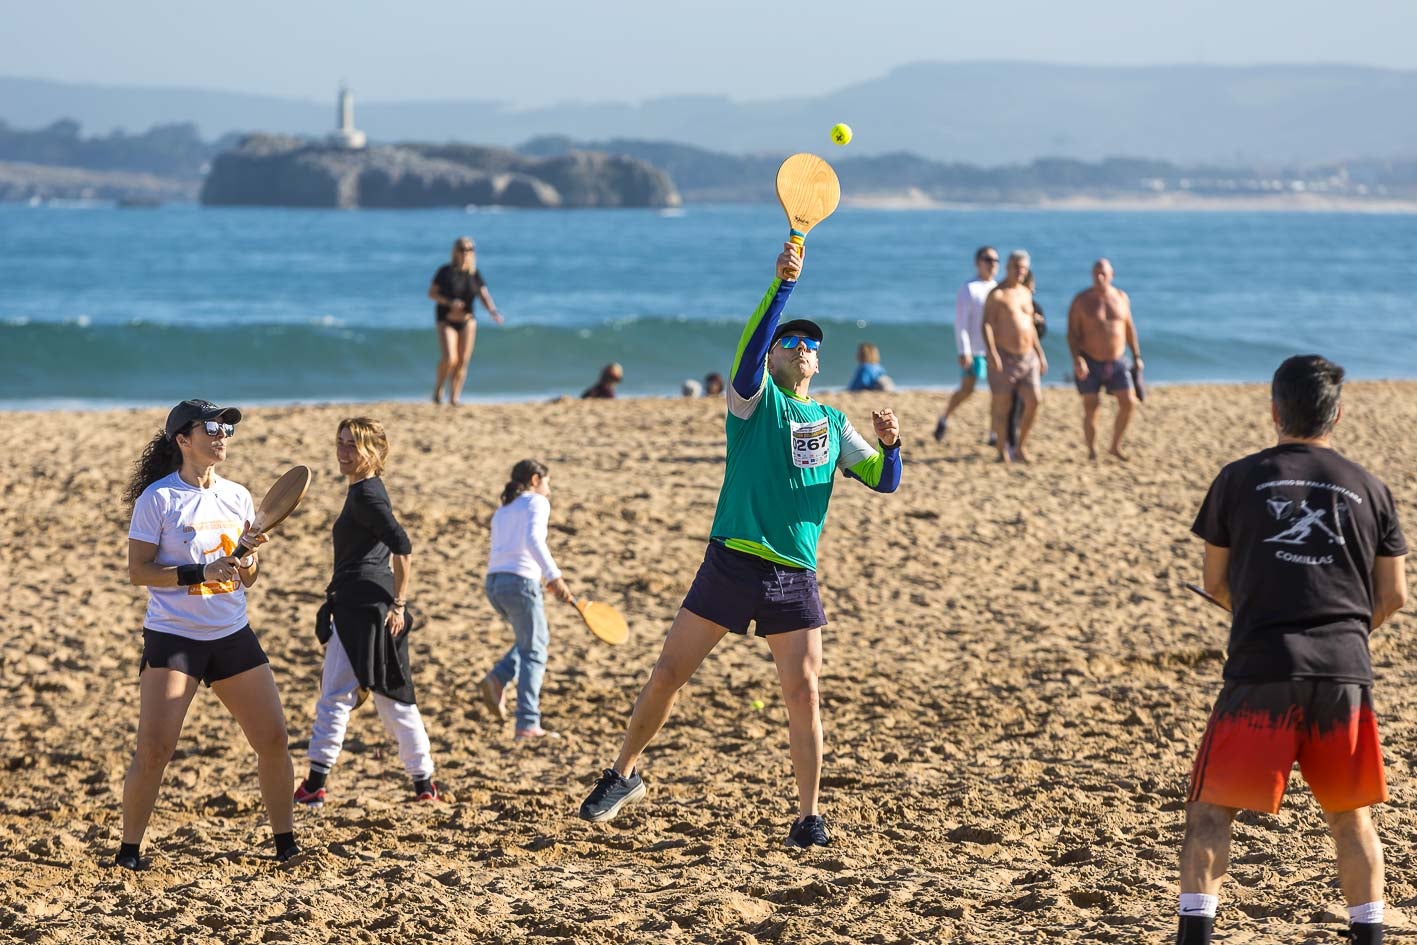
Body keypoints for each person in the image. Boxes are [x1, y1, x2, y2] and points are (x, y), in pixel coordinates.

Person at [576, 242, 902, 848]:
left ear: (818, 365)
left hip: (792, 574)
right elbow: (750, 352)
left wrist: (892, 444)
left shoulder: (832, 423)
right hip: (730, 560)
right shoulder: (753, 402)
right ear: (776, 356)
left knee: (803, 693)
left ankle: (808, 817)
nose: (802, 349)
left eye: (811, 347)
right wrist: (781, 288)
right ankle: (622, 775)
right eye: (792, 342)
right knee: (669, 671)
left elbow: (883, 480)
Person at [1179, 356, 1407, 945]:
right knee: (1351, 818)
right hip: (1343, 671)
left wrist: (1261, 617)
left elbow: (1214, 582)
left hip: (1263, 666)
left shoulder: (1237, 478)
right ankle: (1369, 937)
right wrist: (1343, 632)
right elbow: (1394, 595)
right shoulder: (1371, 488)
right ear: (1336, 413)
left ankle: (1196, 937)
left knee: (1210, 813)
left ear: (1275, 410)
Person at [120, 400, 299, 869]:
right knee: (155, 749)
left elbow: (248, 577)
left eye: (227, 428)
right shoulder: (157, 499)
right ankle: (129, 852)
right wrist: (199, 571)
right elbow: (140, 572)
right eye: (212, 427)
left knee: (274, 739)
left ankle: (286, 846)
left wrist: (249, 560)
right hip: (174, 638)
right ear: (183, 439)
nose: (222, 435)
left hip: (231, 634)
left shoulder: (237, 496)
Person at [295, 418, 439, 807]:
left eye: (352, 446)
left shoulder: (367, 496)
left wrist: (400, 603)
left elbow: (402, 544)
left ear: (373, 452)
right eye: (340, 443)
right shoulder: (365, 490)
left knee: (337, 696)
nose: (343, 453)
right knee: (393, 699)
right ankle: (424, 785)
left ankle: (314, 785)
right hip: (369, 604)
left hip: (364, 607)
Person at [479, 459, 574, 740]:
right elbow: (534, 540)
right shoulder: (536, 502)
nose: (550, 490)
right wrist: (554, 577)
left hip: (495, 584)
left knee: (532, 640)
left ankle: (499, 678)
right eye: (548, 482)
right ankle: (528, 723)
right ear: (535, 479)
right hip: (520, 583)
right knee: (535, 650)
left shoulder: (504, 509)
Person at [1067, 258, 1143, 460]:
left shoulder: (1121, 297)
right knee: (1091, 405)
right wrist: (1077, 359)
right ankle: (1092, 450)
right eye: (1096, 273)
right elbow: (1072, 334)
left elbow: (1129, 329)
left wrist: (1137, 356)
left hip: (1117, 360)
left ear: (1112, 275)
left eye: (1103, 273)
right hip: (1090, 360)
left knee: (1129, 402)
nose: (1099, 277)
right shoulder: (1082, 300)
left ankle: (1115, 446)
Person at [983, 250, 1047, 463]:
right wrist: (992, 352)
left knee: (1034, 400)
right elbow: (987, 324)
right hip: (1004, 355)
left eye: (1024, 268)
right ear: (1008, 267)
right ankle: (1002, 450)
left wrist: (1040, 353)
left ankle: (1020, 446)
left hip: (1027, 356)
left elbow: (1029, 327)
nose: (1020, 272)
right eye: (1017, 267)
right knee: (1004, 405)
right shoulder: (997, 294)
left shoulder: (1025, 293)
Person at [934, 246, 999, 443]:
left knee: (998, 392)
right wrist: (964, 351)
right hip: (975, 350)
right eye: (988, 259)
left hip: (994, 350)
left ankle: (994, 433)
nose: (992, 264)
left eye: (995, 260)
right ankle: (945, 417)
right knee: (967, 390)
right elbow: (960, 323)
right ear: (978, 262)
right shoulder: (969, 288)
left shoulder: (997, 288)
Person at [429, 236, 504, 406]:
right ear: (455, 251)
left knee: (463, 361)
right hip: (446, 319)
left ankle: (454, 397)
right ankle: (438, 388)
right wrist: (449, 302)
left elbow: (484, 295)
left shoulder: (474, 273)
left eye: (470, 249)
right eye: (462, 249)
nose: (466, 252)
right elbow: (431, 293)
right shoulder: (445, 271)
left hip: (468, 320)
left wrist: (493, 311)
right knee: (450, 358)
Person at [1005, 270, 1048, 455]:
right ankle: (1010, 442)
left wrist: (1037, 324)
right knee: (1011, 402)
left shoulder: (1034, 305)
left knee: (1028, 401)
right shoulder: (1010, 304)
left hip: (1029, 358)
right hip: (1011, 357)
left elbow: (1041, 332)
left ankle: (1018, 442)